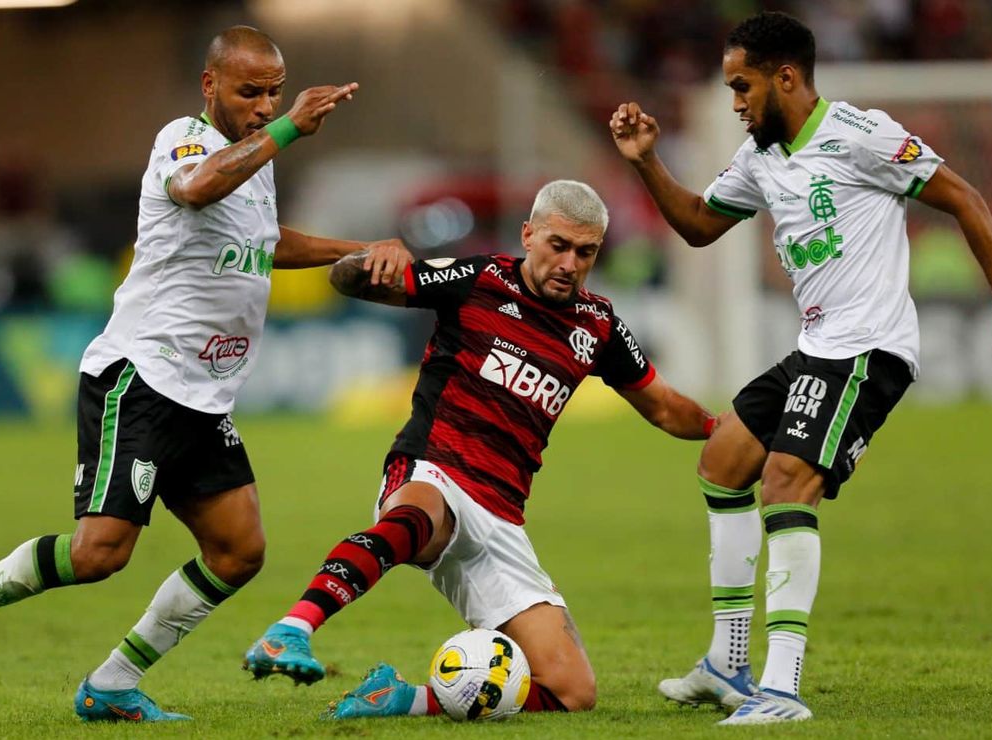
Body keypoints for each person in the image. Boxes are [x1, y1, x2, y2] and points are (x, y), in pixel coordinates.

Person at [0, 25, 411, 723]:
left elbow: (263, 242)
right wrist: (286, 128)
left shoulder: (258, 161)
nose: (262, 106)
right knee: (100, 552)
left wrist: (363, 246)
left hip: (202, 394)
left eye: (274, 94)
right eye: (248, 92)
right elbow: (197, 190)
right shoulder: (184, 141)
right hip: (140, 378)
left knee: (237, 550)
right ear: (210, 85)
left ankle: (110, 685)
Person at [609, 11, 992, 726]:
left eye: (743, 85)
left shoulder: (860, 135)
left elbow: (963, 196)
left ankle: (780, 690)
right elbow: (696, 225)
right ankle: (729, 662)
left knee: (785, 482)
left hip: (869, 348)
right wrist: (645, 161)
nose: (736, 102)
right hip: (817, 346)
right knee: (723, 461)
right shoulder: (760, 157)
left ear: (787, 77)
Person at [241, 179, 718, 719]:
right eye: (557, 245)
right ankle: (291, 629)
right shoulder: (479, 278)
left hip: (502, 517)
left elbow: (663, 407)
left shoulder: (598, 324)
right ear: (528, 234)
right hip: (434, 466)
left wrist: (722, 429)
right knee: (418, 520)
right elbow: (350, 281)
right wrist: (371, 254)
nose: (569, 263)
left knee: (571, 691)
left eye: (585, 252)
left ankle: (400, 699)